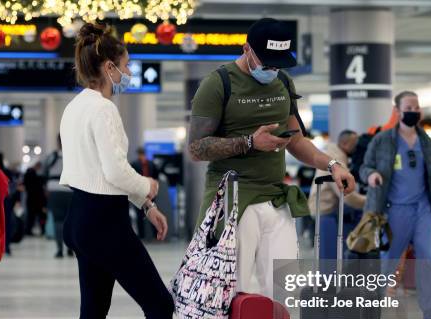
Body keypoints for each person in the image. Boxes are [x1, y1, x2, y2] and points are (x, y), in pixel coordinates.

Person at [59, 22, 211, 319]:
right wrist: (149, 185)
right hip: (105, 222)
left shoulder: (74, 107)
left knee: (93, 310)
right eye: (125, 66)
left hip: (81, 217)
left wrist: (145, 206)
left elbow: (92, 172)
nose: (127, 73)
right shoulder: (104, 109)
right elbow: (113, 169)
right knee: (159, 304)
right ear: (109, 67)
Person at [189, 18, 355, 297]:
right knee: (231, 293)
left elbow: (297, 141)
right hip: (232, 199)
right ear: (246, 49)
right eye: (267, 63)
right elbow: (196, 148)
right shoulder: (218, 84)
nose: (273, 70)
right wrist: (250, 142)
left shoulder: (283, 83)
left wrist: (332, 164)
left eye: (279, 64)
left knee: (284, 290)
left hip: (276, 198)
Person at [360, 90, 431, 319]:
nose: (413, 112)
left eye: (416, 108)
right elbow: (364, 167)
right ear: (398, 111)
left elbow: (429, 174)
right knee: (387, 261)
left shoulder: (425, 140)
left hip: (422, 209)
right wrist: (371, 176)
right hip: (393, 210)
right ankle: (374, 313)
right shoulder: (382, 140)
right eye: (408, 108)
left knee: (429, 260)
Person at [308, 129, 366, 259]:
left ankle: (329, 276)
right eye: (354, 143)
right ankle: (329, 278)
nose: (357, 146)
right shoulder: (336, 161)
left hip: (324, 210)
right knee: (329, 255)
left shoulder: (334, 155)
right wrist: (368, 201)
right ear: (345, 144)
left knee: (327, 254)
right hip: (324, 211)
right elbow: (347, 195)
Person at [44, 136, 74, 258]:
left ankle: (59, 249)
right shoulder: (73, 156)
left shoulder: (52, 157)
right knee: (70, 222)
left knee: (57, 221)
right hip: (69, 191)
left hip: (54, 191)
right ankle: (70, 249)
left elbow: (44, 172)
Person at [131, 148, 158, 239]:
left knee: (153, 213)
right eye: (140, 154)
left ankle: (155, 236)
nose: (141, 156)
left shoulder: (151, 164)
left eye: (142, 154)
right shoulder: (134, 164)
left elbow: (155, 176)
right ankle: (142, 236)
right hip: (139, 193)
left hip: (150, 193)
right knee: (139, 216)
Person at [23, 160, 46, 236]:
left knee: (31, 216)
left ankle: (28, 230)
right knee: (41, 216)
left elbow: (25, 185)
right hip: (38, 199)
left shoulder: (28, 174)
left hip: (31, 198)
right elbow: (40, 187)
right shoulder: (35, 175)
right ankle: (42, 230)